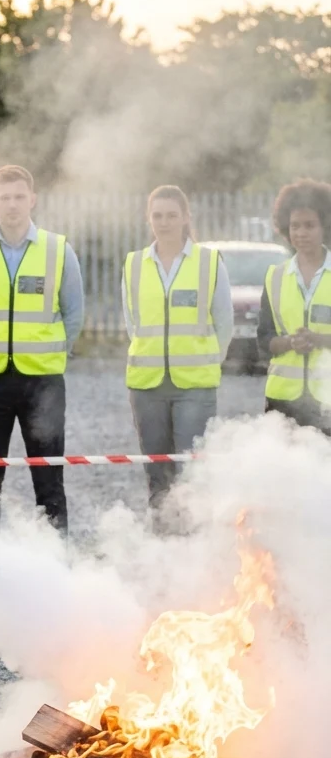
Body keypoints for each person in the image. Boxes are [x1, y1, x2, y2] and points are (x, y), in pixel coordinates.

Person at [0, 164, 84, 533]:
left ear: (33, 200)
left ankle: (54, 562)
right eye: (5, 197)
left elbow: (74, 314)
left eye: (19, 197)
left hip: (43, 382)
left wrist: (51, 352)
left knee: (48, 479)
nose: (12, 204)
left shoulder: (58, 250)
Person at [123, 185, 233, 524]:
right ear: (148, 219)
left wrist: (206, 364)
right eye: (157, 216)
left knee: (192, 473)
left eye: (172, 215)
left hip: (195, 388)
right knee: (157, 475)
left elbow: (224, 325)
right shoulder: (133, 264)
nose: (165, 222)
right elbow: (133, 323)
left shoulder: (209, 262)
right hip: (147, 387)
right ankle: (162, 551)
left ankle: (193, 550)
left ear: (186, 218)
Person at [257, 179, 331, 434]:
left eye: (309, 225)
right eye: (295, 226)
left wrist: (319, 339)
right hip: (282, 403)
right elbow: (264, 339)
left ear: (325, 226)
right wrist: (290, 343)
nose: (301, 233)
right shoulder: (274, 277)